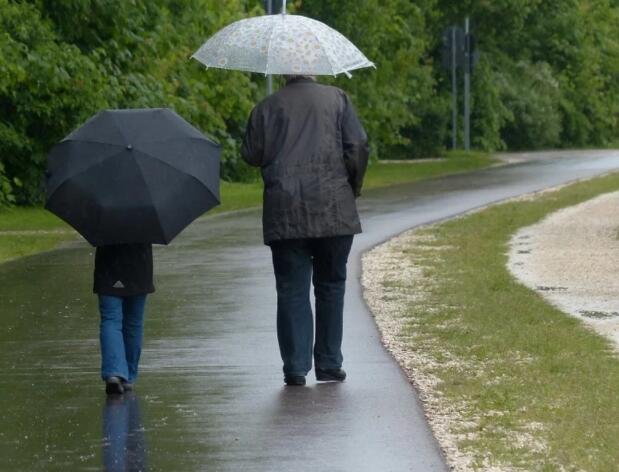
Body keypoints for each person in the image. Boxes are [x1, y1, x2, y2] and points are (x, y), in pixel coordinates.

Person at [242, 75, 369, 386]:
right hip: (334, 207)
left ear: (285, 73)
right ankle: (328, 363)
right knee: (331, 286)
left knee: (291, 289)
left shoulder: (266, 108)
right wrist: (353, 186)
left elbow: (251, 154)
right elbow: (358, 146)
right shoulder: (338, 99)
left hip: (285, 210)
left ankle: (296, 366)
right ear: (315, 69)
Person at [94, 243, 154, 394]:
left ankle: (114, 372)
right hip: (140, 265)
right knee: (133, 323)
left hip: (108, 266)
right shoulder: (145, 219)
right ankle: (128, 376)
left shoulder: (105, 219)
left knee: (110, 320)